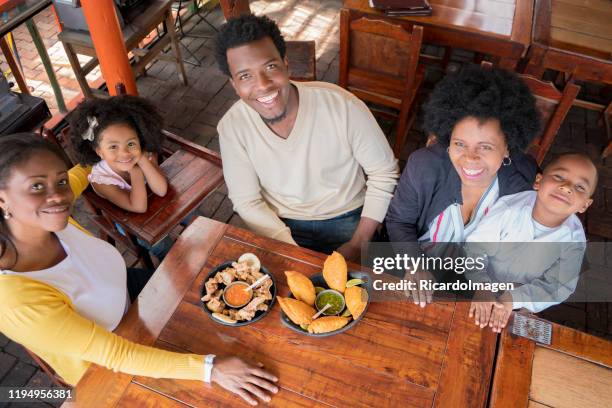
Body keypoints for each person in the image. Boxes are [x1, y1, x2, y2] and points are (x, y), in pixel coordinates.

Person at [0, 134, 278, 406]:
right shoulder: (13, 300)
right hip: (106, 364)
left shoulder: (48, 215)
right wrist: (211, 369)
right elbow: (117, 354)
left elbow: (80, 172)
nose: (58, 196)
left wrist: (116, 151)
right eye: (36, 187)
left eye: (59, 181)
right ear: (2, 199)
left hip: (132, 296)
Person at [215, 14, 399, 261]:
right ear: (234, 85)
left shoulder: (343, 105)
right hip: (279, 224)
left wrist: (359, 242)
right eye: (245, 76)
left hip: (349, 218)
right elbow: (246, 201)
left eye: (270, 67)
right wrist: (292, 252)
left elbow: (383, 172)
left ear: (286, 64)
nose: (263, 85)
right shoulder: (232, 127)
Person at [385, 64, 541, 307]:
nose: (470, 158)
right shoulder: (424, 166)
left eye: (485, 147)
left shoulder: (522, 182)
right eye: (460, 144)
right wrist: (415, 266)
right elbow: (399, 220)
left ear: (508, 147)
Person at [466, 153, 597, 332]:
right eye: (559, 176)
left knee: (509, 335)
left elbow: (558, 287)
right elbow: (474, 248)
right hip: (477, 281)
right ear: (538, 181)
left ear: (585, 205)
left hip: (521, 297)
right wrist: (481, 287)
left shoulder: (574, 241)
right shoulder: (509, 209)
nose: (566, 187)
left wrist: (513, 300)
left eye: (580, 187)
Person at [69, 95, 173, 259]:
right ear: (99, 152)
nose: (124, 153)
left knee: (193, 214)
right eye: (113, 147)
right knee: (163, 245)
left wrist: (144, 158)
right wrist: (137, 172)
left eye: (131, 144)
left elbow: (161, 190)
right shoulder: (102, 181)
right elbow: (139, 207)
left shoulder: (141, 154)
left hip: (153, 204)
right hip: (130, 223)